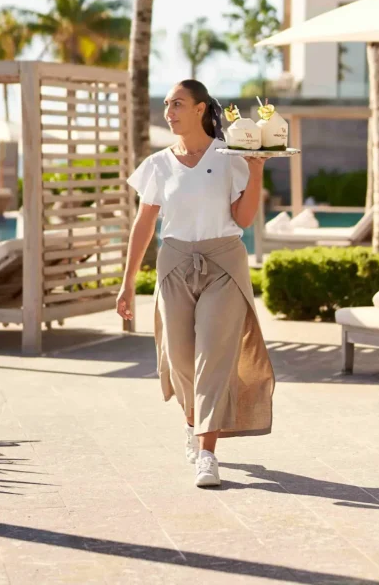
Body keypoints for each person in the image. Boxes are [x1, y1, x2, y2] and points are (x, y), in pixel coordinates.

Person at [117, 79, 275, 488]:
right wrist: (127, 281)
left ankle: (207, 453)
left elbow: (242, 219)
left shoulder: (230, 156)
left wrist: (256, 171)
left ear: (201, 109)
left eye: (178, 104)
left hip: (223, 261)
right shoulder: (157, 164)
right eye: (168, 104)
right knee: (180, 358)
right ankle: (192, 422)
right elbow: (144, 224)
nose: (169, 111)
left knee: (214, 355)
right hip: (175, 262)